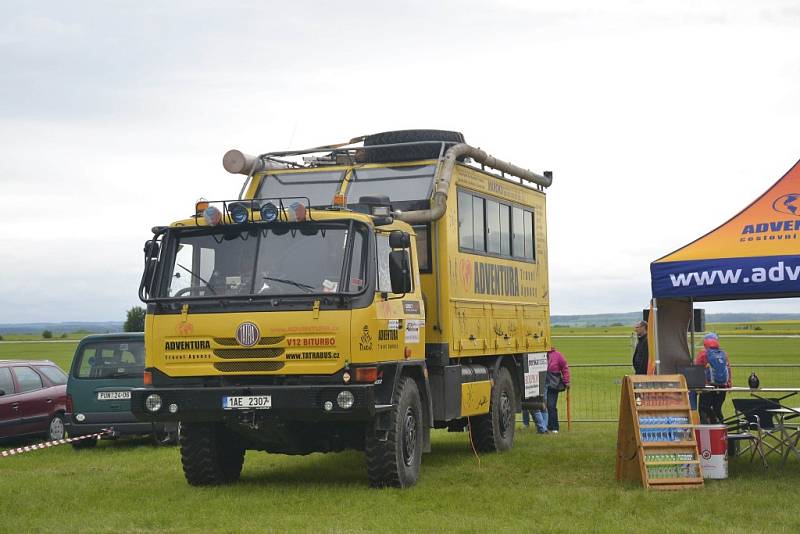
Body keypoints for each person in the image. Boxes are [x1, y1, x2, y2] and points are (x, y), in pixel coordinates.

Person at [694, 332, 731, 424]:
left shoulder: (703, 354)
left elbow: (696, 369)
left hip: (708, 387)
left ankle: (707, 433)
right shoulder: (724, 354)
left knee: (704, 409)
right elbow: (728, 368)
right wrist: (729, 383)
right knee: (717, 409)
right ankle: (721, 431)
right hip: (722, 387)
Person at [546, 347, 570, 433]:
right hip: (542, 384)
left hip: (553, 385)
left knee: (551, 406)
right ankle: (546, 426)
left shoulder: (558, 355)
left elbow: (564, 367)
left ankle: (554, 427)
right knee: (544, 406)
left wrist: (566, 381)